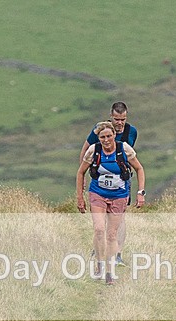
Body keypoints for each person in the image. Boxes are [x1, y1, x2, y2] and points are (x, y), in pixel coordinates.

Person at [76, 121, 146, 285]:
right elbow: (81, 172)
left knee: (112, 235)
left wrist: (140, 192)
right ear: (98, 138)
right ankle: (99, 264)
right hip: (98, 194)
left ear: (114, 135)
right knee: (99, 229)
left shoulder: (124, 149)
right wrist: (80, 197)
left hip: (119, 196)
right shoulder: (94, 150)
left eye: (109, 136)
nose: (106, 140)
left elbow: (139, 169)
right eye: (102, 137)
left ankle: (109, 272)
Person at [79, 102, 138, 266]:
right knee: (101, 217)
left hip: (122, 180)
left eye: (123, 119)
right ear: (111, 117)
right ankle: (99, 248)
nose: (120, 123)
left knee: (120, 217)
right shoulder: (100, 130)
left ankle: (117, 253)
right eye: (117, 119)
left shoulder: (131, 132)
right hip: (100, 178)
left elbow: (130, 156)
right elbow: (85, 150)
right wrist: (82, 175)